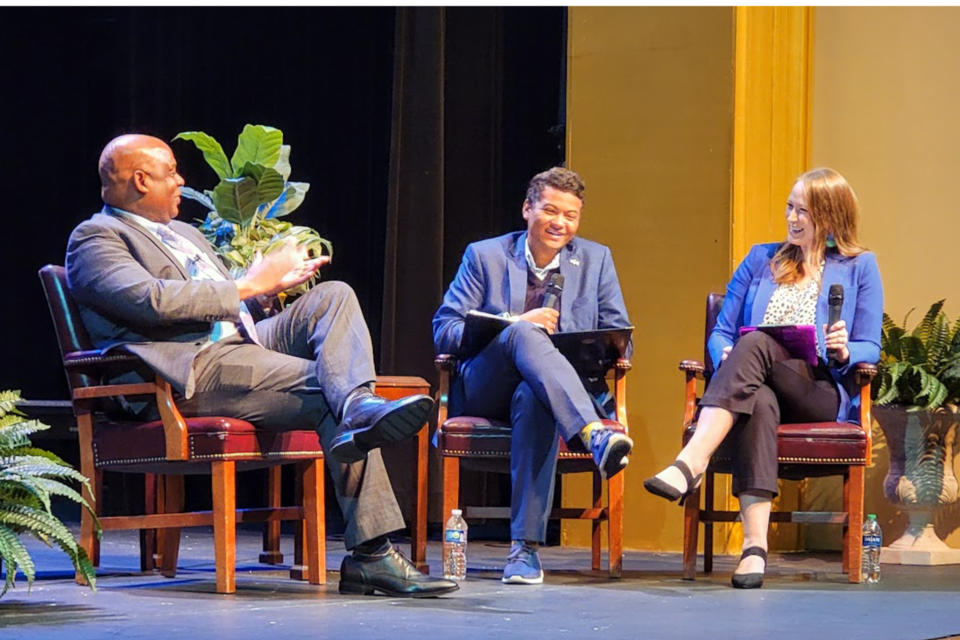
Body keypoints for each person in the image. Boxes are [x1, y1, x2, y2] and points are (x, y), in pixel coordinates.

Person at [65, 134, 458, 598]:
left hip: (242, 343)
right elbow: (150, 301)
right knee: (326, 389)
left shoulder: (185, 234)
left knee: (334, 296)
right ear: (140, 179)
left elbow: (231, 301)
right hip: (186, 370)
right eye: (171, 171)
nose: (181, 180)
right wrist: (249, 286)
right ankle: (371, 555)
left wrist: (263, 295)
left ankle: (358, 402)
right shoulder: (96, 237)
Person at [643, 167, 883, 589]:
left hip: (818, 389)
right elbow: (721, 332)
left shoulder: (859, 266)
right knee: (758, 397)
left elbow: (871, 348)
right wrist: (725, 353)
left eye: (803, 211)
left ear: (830, 216)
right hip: (758, 386)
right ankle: (754, 549)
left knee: (754, 345)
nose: (792, 218)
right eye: (789, 207)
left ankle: (691, 460)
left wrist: (846, 350)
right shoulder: (761, 259)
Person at [433, 167, 634, 585]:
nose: (560, 223)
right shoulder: (485, 256)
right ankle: (594, 432)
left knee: (535, 394)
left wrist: (586, 346)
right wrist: (513, 323)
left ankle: (524, 552)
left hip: (550, 393)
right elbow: (445, 330)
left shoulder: (596, 260)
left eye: (571, 215)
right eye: (550, 210)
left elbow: (622, 341)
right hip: (488, 384)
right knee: (524, 332)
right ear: (528, 209)